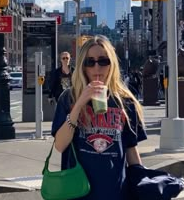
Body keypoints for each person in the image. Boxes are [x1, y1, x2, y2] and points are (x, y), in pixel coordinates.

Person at [51, 35, 147, 200]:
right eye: (90, 62)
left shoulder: (125, 100)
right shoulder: (69, 98)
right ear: (83, 66)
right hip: (78, 191)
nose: (97, 68)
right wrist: (79, 103)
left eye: (103, 61)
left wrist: (142, 184)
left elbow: (131, 148)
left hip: (116, 192)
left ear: (112, 64)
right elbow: (59, 145)